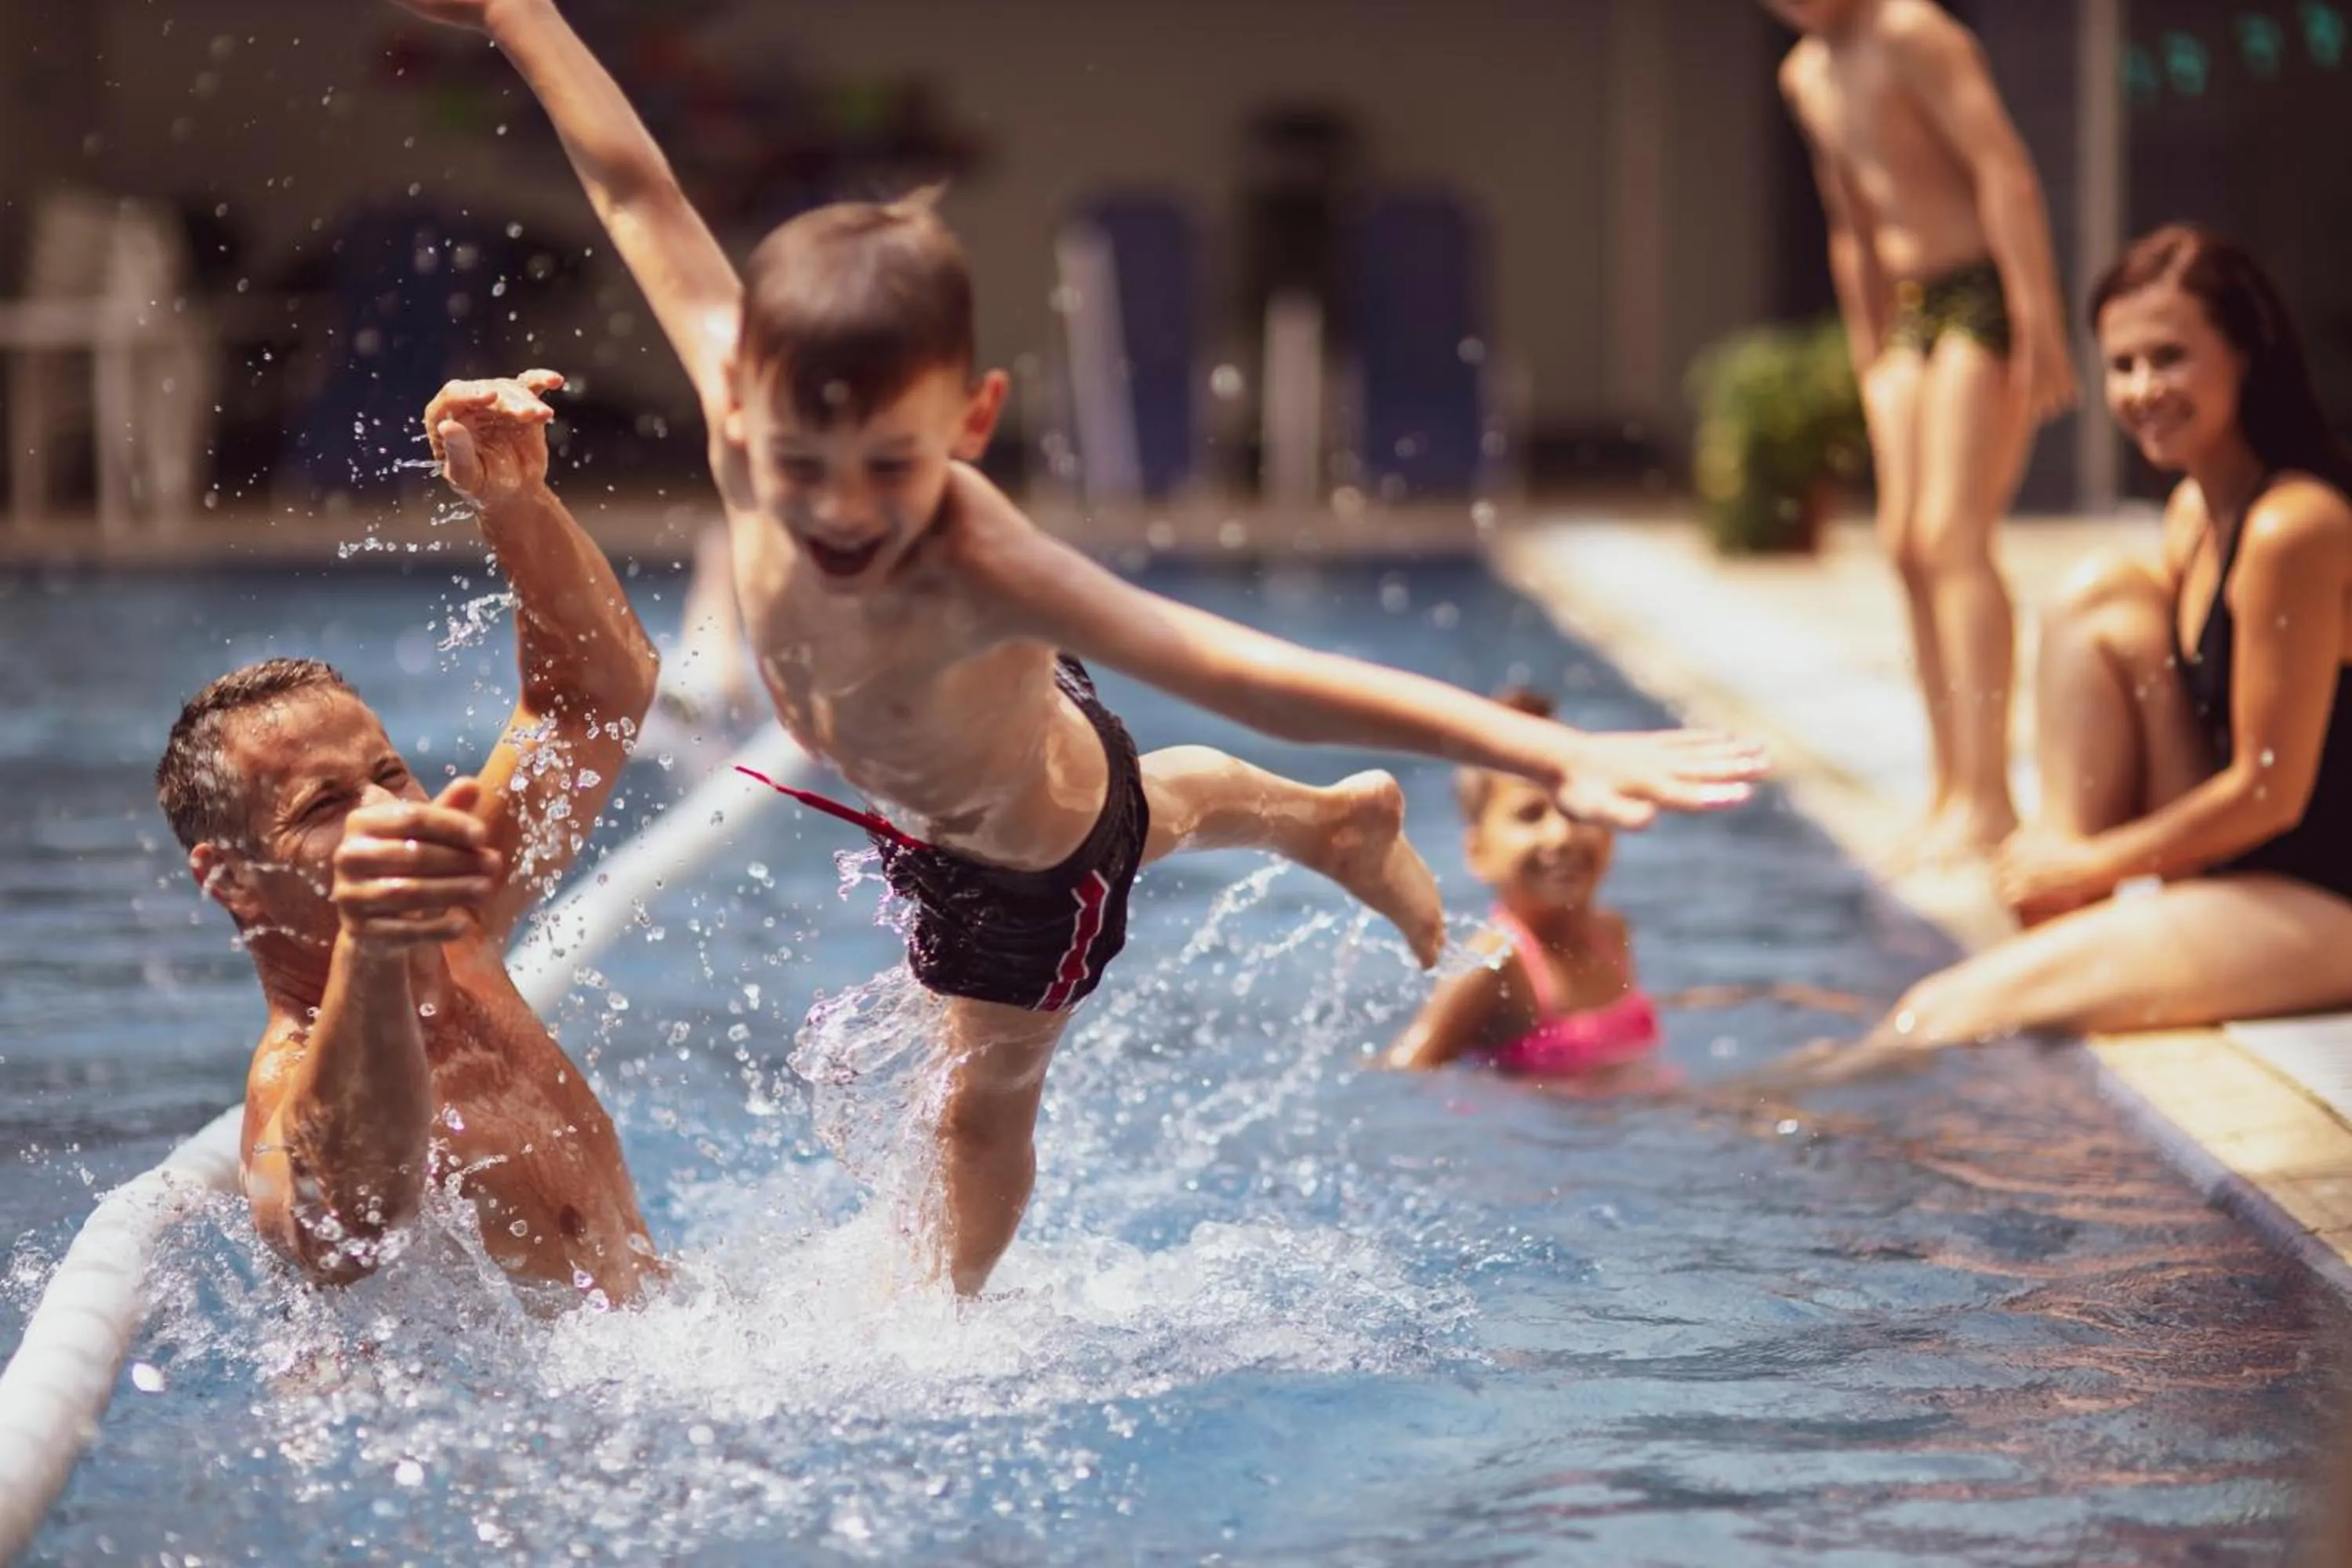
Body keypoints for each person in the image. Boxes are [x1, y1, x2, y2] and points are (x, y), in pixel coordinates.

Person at [394, 0, 1770, 1295]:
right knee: (1125, 799)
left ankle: (946, 1323)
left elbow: (1253, 674)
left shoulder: (983, 563)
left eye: (893, 466)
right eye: (803, 463)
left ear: (974, 422)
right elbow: (638, 191)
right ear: (743, 397)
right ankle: (1329, 827)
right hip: (1003, 762)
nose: (843, 508)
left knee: (977, 1106)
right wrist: (522, 14)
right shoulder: (742, 398)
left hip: (1025, 868)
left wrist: (1544, 749)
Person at [1769, 226, 2352, 1086]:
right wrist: (2067, 855)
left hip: (2325, 902)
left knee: (1947, 1013)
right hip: (2237, 877)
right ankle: (2062, 894)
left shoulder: (2292, 528)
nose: (2143, 389)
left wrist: (2096, 863)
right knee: (2098, 594)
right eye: (2122, 365)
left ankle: (1790, 1111)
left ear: (2245, 352)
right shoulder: (2195, 513)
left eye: (2170, 357)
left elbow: (2270, 792)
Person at [156, 369, 664, 1303]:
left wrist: (517, 503)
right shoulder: (286, 1089)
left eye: (389, 775)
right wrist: (372, 940)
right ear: (230, 879)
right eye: (324, 806)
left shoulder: (459, 914)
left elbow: (597, 694)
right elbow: (354, 1210)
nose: (388, 813)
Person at [1769, 0, 2078, 866]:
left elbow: (2002, 168)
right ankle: (1949, 788)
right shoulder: (1804, 74)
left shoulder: (1912, 32)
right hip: (1905, 315)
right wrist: (1868, 353)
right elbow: (1850, 223)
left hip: (1979, 292)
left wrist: (2038, 317)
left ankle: (1991, 800)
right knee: (1906, 545)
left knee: (1953, 537)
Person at [1388, 690, 1861, 1087]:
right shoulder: (1494, 964)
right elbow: (1402, 1072)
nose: (1562, 835)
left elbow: (1605, 1020)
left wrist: (1766, 996)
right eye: (1530, 815)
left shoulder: (1610, 932)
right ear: (1478, 852)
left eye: (1574, 811)